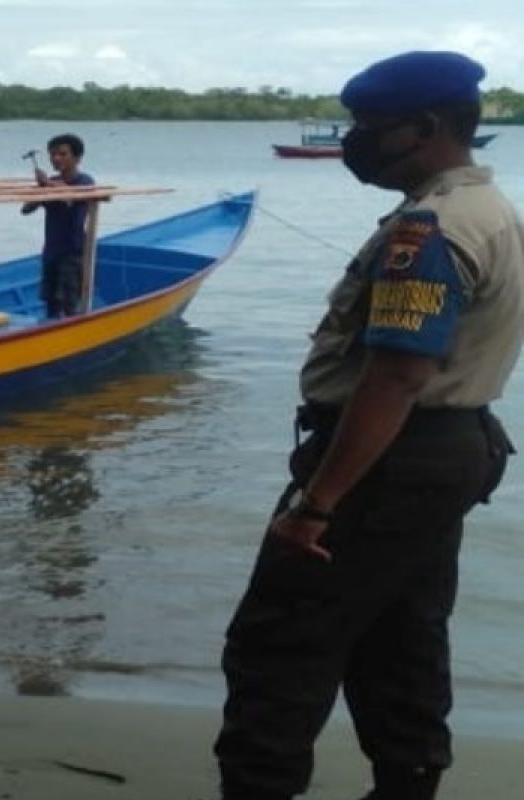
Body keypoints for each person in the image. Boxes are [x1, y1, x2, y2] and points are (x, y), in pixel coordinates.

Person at [213, 51, 523, 800]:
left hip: (387, 459)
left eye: (366, 127)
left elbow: (396, 376)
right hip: (447, 451)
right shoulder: (489, 209)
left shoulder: (431, 230)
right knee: (401, 640)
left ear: (423, 128)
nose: (353, 140)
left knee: (279, 649)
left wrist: (315, 506)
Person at [21, 133, 95, 318]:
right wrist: (40, 190)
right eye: (53, 154)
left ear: (77, 158)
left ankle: (75, 329)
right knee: (50, 298)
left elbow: (71, 197)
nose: (56, 158)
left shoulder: (84, 181)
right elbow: (26, 209)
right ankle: (50, 328)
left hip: (74, 250)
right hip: (52, 249)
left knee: (71, 299)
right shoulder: (51, 183)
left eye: (63, 154)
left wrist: (48, 184)